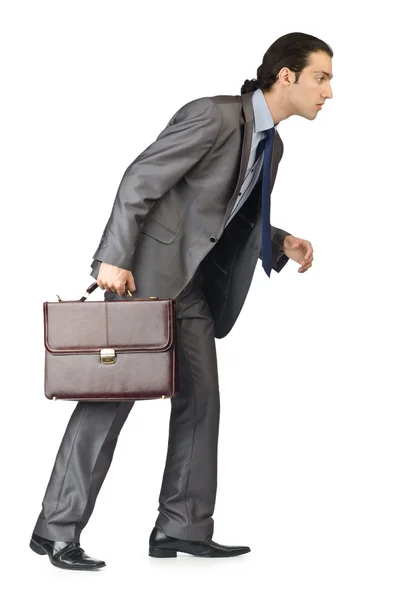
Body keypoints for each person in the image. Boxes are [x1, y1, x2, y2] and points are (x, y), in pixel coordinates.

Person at [30, 31, 333, 570]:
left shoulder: (273, 144)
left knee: (201, 400)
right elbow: (140, 178)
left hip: (189, 286)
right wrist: (113, 258)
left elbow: (233, 218)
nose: (328, 92)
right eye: (321, 77)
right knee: (111, 398)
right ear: (286, 75)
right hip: (141, 278)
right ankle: (56, 530)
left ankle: (181, 527)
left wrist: (280, 240)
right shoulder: (215, 116)